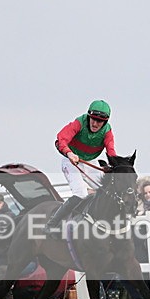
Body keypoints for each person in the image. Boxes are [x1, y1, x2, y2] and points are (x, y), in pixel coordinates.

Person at [45, 100, 117, 234]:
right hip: (71, 161)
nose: (95, 123)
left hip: (91, 161)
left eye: (99, 121)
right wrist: (69, 153)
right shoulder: (79, 122)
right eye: (93, 119)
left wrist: (115, 166)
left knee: (108, 190)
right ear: (89, 116)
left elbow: (111, 151)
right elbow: (61, 138)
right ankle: (52, 224)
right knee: (81, 193)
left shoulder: (107, 132)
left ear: (105, 122)